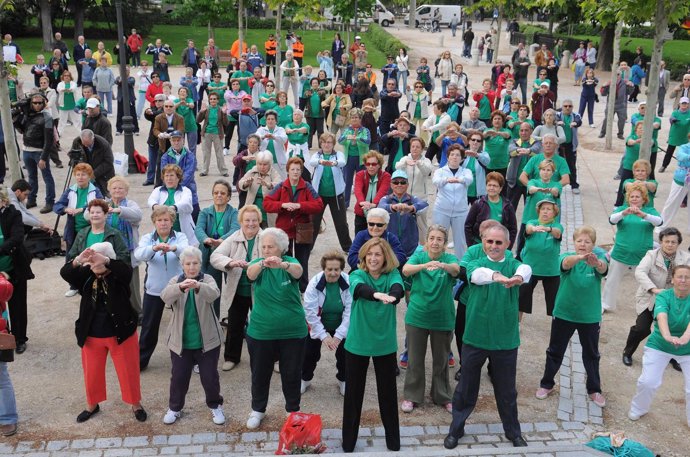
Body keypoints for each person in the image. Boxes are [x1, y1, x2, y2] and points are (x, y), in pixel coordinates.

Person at [444, 224, 531, 449]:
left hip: (505, 340)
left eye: (498, 242)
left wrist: (518, 277)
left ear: (508, 244)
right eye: (489, 241)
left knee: (507, 391)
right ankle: (456, 430)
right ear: (483, 242)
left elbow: (527, 269)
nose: (493, 246)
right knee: (465, 389)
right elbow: (476, 275)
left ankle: (513, 432)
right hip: (475, 337)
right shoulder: (476, 262)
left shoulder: (514, 264)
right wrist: (498, 277)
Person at [60, 237, 147, 423]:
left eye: (99, 259)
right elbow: (65, 273)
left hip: (121, 334)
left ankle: (135, 404)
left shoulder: (119, 275)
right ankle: (92, 404)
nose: (95, 263)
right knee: (92, 374)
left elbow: (125, 270)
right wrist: (79, 259)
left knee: (128, 371)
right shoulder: (86, 275)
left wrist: (105, 260)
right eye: (92, 261)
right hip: (92, 334)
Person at [536, 226, 608, 408]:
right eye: (579, 241)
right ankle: (547, 384)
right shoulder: (567, 256)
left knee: (591, 354)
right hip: (564, 313)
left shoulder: (597, 260)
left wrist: (597, 264)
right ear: (574, 243)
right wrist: (579, 258)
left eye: (587, 241)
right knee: (555, 351)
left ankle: (594, 389)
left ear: (593, 244)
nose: (583, 244)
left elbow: (604, 270)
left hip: (589, 317)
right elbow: (565, 264)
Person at [342, 237, 403, 452]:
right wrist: (377, 295)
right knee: (353, 395)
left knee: (388, 395)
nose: (374, 258)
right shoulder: (357, 274)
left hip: (384, 345)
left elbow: (398, 290)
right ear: (364, 257)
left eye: (378, 254)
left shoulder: (393, 275)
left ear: (385, 257)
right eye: (370, 254)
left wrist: (392, 297)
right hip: (357, 343)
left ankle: (393, 443)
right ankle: (348, 444)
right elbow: (360, 290)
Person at [244, 227, 307, 429]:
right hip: (262, 331)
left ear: (281, 248)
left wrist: (284, 265)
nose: (266, 250)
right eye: (263, 247)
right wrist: (263, 263)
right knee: (260, 373)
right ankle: (258, 410)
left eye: (270, 246)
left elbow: (299, 272)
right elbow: (250, 275)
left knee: (292, 373)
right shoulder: (257, 264)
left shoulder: (292, 263)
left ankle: (293, 410)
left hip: (293, 331)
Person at [159, 246, 224, 426]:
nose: (192, 267)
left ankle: (215, 405)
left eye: (195, 263)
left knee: (209, 377)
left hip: (208, 340)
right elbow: (165, 297)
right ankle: (175, 408)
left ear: (200, 264)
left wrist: (198, 286)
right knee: (179, 376)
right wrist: (180, 287)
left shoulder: (208, 279)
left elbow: (214, 295)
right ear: (182, 265)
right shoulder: (175, 280)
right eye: (188, 263)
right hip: (181, 341)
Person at [400, 226, 459, 414]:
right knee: (415, 360)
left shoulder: (449, 258)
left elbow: (456, 270)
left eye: (439, 239)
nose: (435, 242)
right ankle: (412, 396)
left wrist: (442, 265)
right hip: (417, 316)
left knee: (441, 360)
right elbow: (406, 270)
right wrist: (425, 266)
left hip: (442, 318)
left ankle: (442, 395)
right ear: (426, 241)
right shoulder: (419, 256)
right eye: (432, 238)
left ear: (444, 243)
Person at [628, 264, 690, 426]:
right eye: (680, 276)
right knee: (648, 382)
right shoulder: (664, 296)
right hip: (660, 345)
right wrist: (667, 335)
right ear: (673, 279)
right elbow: (661, 315)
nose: (683, 280)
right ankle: (638, 408)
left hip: (688, 348)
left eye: (687, 277)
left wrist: (684, 337)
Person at [623, 227, 689, 371]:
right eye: (667, 241)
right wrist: (654, 289)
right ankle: (627, 352)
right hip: (651, 297)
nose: (670, 244)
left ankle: (673, 357)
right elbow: (640, 272)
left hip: (675, 299)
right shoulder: (651, 255)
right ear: (661, 242)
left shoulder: (685, 258)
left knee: (675, 329)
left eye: (673, 242)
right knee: (641, 328)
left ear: (678, 244)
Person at [134, 205, 189, 371]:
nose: (163, 223)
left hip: (178, 288)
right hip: (154, 289)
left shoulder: (180, 237)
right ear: (154, 222)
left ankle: (188, 360)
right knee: (149, 326)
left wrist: (174, 248)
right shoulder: (147, 238)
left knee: (185, 323)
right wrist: (154, 248)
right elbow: (138, 254)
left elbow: (188, 251)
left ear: (172, 222)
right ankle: (140, 361)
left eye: (166, 220)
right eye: (159, 220)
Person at [209, 205, 262, 371]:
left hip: (260, 290)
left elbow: (279, 252)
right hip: (238, 290)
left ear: (259, 221)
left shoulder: (267, 236)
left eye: (254, 220)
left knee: (264, 324)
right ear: (241, 222)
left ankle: (272, 358)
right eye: (247, 220)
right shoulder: (234, 237)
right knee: (234, 325)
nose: (251, 224)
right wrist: (230, 263)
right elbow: (215, 256)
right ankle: (232, 357)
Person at [264, 157, 324, 291]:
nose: (295, 172)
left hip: (303, 229)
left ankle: (303, 290)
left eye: (298, 169)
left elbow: (318, 204)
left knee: (302, 261)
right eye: (293, 169)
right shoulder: (281, 186)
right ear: (288, 171)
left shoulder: (307, 186)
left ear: (302, 171)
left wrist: (299, 206)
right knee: (285, 260)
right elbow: (267, 203)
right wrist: (282, 205)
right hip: (284, 230)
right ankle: (287, 288)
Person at [602, 183, 662, 312]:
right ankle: (606, 305)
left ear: (644, 199)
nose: (634, 199)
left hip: (643, 255)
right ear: (628, 198)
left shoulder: (649, 211)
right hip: (620, 253)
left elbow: (660, 221)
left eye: (637, 196)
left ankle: (647, 307)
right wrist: (624, 213)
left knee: (647, 282)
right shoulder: (622, 209)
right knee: (611, 281)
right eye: (632, 196)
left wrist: (644, 215)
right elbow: (612, 220)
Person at [301, 251, 352, 396]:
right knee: (309, 353)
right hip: (319, 322)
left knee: (345, 354)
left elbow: (350, 313)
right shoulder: (314, 283)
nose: (333, 273)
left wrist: (338, 336)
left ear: (341, 269)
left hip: (341, 323)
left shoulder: (348, 282)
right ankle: (305, 379)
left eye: (337, 269)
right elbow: (310, 313)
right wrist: (323, 336)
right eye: (329, 269)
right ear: (324, 269)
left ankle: (343, 379)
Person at [195, 180, 239, 317]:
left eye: (222, 193)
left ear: (228, 197)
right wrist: (205, 239)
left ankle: (236, 322)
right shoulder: (205, 212)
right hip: (209, 255)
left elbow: (235, 229)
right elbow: (199, 229)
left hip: (229, 255)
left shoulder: (234, 213)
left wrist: (221, 240)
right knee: (212, 289)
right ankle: (213, 320)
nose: (219, 195)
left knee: (234, 290)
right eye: (216, 193)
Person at [0, 189, 34, 356]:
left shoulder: (13, 213)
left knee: (18, 305)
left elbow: (17, 238)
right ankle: (4, 337)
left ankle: (20, 339)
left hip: (14, 267)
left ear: (3, 201)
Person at [518, 199, 562, 320]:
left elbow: (558, 233)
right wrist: (533, 228)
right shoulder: (532, 222)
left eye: (549, 209)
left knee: (555, 300)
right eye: (543, 209)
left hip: (551, 269)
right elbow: (528, 229)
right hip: (530, 267)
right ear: (538, 211)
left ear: (554, 213)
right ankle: (516, 323)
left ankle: (557, 324)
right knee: (521, 297)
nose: (545, 212)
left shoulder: (557, 225)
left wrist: (548, 229)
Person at [13, 93, 56, 214]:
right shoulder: (28, 115)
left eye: (40, 103)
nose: (37, 105)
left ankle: (50, 202)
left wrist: (43, 157)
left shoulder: (47, 117)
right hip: (27, 150)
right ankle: (31, 199)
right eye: (35, 103)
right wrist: (16, 120)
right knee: (31, 177)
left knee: (47, 177)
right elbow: (22, 131)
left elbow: (49, 140)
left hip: (39, 152)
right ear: (31, 104)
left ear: (44, 103)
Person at [54, 163, 104, 264]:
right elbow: (56, 206)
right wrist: (65, 209)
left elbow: (101, 204)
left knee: (90, 259)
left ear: (89, 177)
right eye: (78, 174)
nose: (80, 177)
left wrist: (82, 209)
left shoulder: (95, 191)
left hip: (89, 230)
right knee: (72, 260)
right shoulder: (71, 190)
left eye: (83, 175)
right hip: (73, 231)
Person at [310, 133, 352, 251]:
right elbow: (312, 162)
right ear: (320, 144)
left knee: (341, 223)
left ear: (333, 144)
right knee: (314, 222)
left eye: (329, 142)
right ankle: (308, 247)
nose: (326, 144)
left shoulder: (338, 154)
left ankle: (347, 247)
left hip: (336, 196)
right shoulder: (317, 155)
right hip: (319, 196)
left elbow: (343, 162)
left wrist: (335, 163)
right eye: (324, 142)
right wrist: (321, 162)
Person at [432, 145, 473, 259]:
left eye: (458, 155)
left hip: (460, 212)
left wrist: (459, 180)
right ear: (448, 157)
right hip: (442, 210)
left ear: (462, 158)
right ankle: (437, 262)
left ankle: (460, 268)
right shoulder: (440, 171)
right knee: (438, 238)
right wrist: (447, 180)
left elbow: (469, 180)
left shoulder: (466, 171)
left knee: (460, 241)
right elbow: (436, 181)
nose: (455, 157)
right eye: (452, 155)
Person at [378, 170, 428, 258]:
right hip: (389, 245)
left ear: (407, 185)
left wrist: (411, 208)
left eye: (403, 182)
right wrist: (393, 207)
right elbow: (380, 207)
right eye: (396, 182)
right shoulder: (386, 199)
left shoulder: (412, 199)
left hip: (410, 246)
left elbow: (425, 205)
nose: (399, 185)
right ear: (391, 185)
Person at [465, 172, 517, 248]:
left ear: (500, 189)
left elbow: (513, 229)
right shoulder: (478, 204)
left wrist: (507, 248)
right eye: (489, 185)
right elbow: (468, 226)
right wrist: (471, 246)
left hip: (498, 246)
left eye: (495, 186)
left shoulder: (508, 206)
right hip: (479, 244)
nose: (491, 188)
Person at [395, 137, 432, 243]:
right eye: (413, 146)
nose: (415, 149)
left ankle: (425, 247)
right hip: (405, 197)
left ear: (422, 149)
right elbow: (397, 166)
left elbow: (426, 171)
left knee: (422, 225)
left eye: (418, 147)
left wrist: (419, 163)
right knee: (403, 224)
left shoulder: (426, 161)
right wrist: (406, 162)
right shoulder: (405, 158)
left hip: (420, 198)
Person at [160, 131, 200, 218]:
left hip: (189, 191)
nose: (176, 142)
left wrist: (176, 186)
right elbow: (165, 174)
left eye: (178, 140)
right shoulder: (165, 157)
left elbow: (188, 174)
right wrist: (173, 187)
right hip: (170, 193)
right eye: (174, 140)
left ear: (183, 141)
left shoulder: (190, 156)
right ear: (170, 141)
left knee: (194, 218)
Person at [656, 137, 690, 232]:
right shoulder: (684, 147)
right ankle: (660, 226)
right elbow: (680, 156)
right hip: (681, 179)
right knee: (671, 203)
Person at [353, 151, 391, 235]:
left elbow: (382, 191)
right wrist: (362, 202)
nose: (370, 167)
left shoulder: (386, 176)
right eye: (368, 164)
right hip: (361, 211)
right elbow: (358, 189)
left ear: (379, 165)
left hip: (378, 213)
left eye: (374, 164)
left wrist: (373, 204)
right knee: (360, 239)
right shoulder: (360, 174)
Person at [339, 109, 371, 207]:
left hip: (361, 159)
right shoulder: (347, 130)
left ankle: (362, 203)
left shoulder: (365, 130)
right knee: (347, 182)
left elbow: (367, 141)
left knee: (362, 182)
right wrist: (346, 138)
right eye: (352, 118)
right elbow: (340, 141)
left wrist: (357, 138)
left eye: (356, 117)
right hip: (348, 159)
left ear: (360, 119)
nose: (354, 120)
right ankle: (345, 203)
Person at [71, 129, 115, 197]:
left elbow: (108, 162)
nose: (86, 146)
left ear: (93, 139)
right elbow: (73, 157)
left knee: (102, 196)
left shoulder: (103, 144)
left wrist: (93, 174)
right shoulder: (77, 141)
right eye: (84, 143)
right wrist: (79, 168)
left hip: (103, 174)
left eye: (88, 143)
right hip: (86, 173)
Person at [197, 93, 230, 177]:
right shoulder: (206, 109)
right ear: (209, 100)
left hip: (218, 134)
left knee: (219, 153)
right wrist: (201, 112)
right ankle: (205, 170)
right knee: (206, 153)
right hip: (206, 133)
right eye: (211, 99)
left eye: (214, 99)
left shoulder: (221, 109)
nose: (213, 100)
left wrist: (224, 113)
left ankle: (223, 171)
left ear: (218, 100)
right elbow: (198, 120)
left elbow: (226, 123)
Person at [598, 70, 634, 139]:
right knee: (607, 119)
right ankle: (602, 133)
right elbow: (603, 94)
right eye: (614, 74)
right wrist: (604, 86)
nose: (616, 76)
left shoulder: (624, 83)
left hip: (621, 105)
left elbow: (629, 92)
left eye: (618, 74)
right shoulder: (610, 82)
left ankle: (620, 134)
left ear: (620, 75)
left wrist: (631, 86)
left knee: (622, 120)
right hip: (611, 104)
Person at [659, 97, 690, 173]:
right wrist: (673, 120)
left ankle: (687, 167)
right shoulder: (675, 112)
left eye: (685, 103)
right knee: (669, 152)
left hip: (685, 136)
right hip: (675, 135)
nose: (684, 105)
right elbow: (671, 118)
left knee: (686, 152)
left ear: (688, 105)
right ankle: (664, 165)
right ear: (679, 104)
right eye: (682, 103)